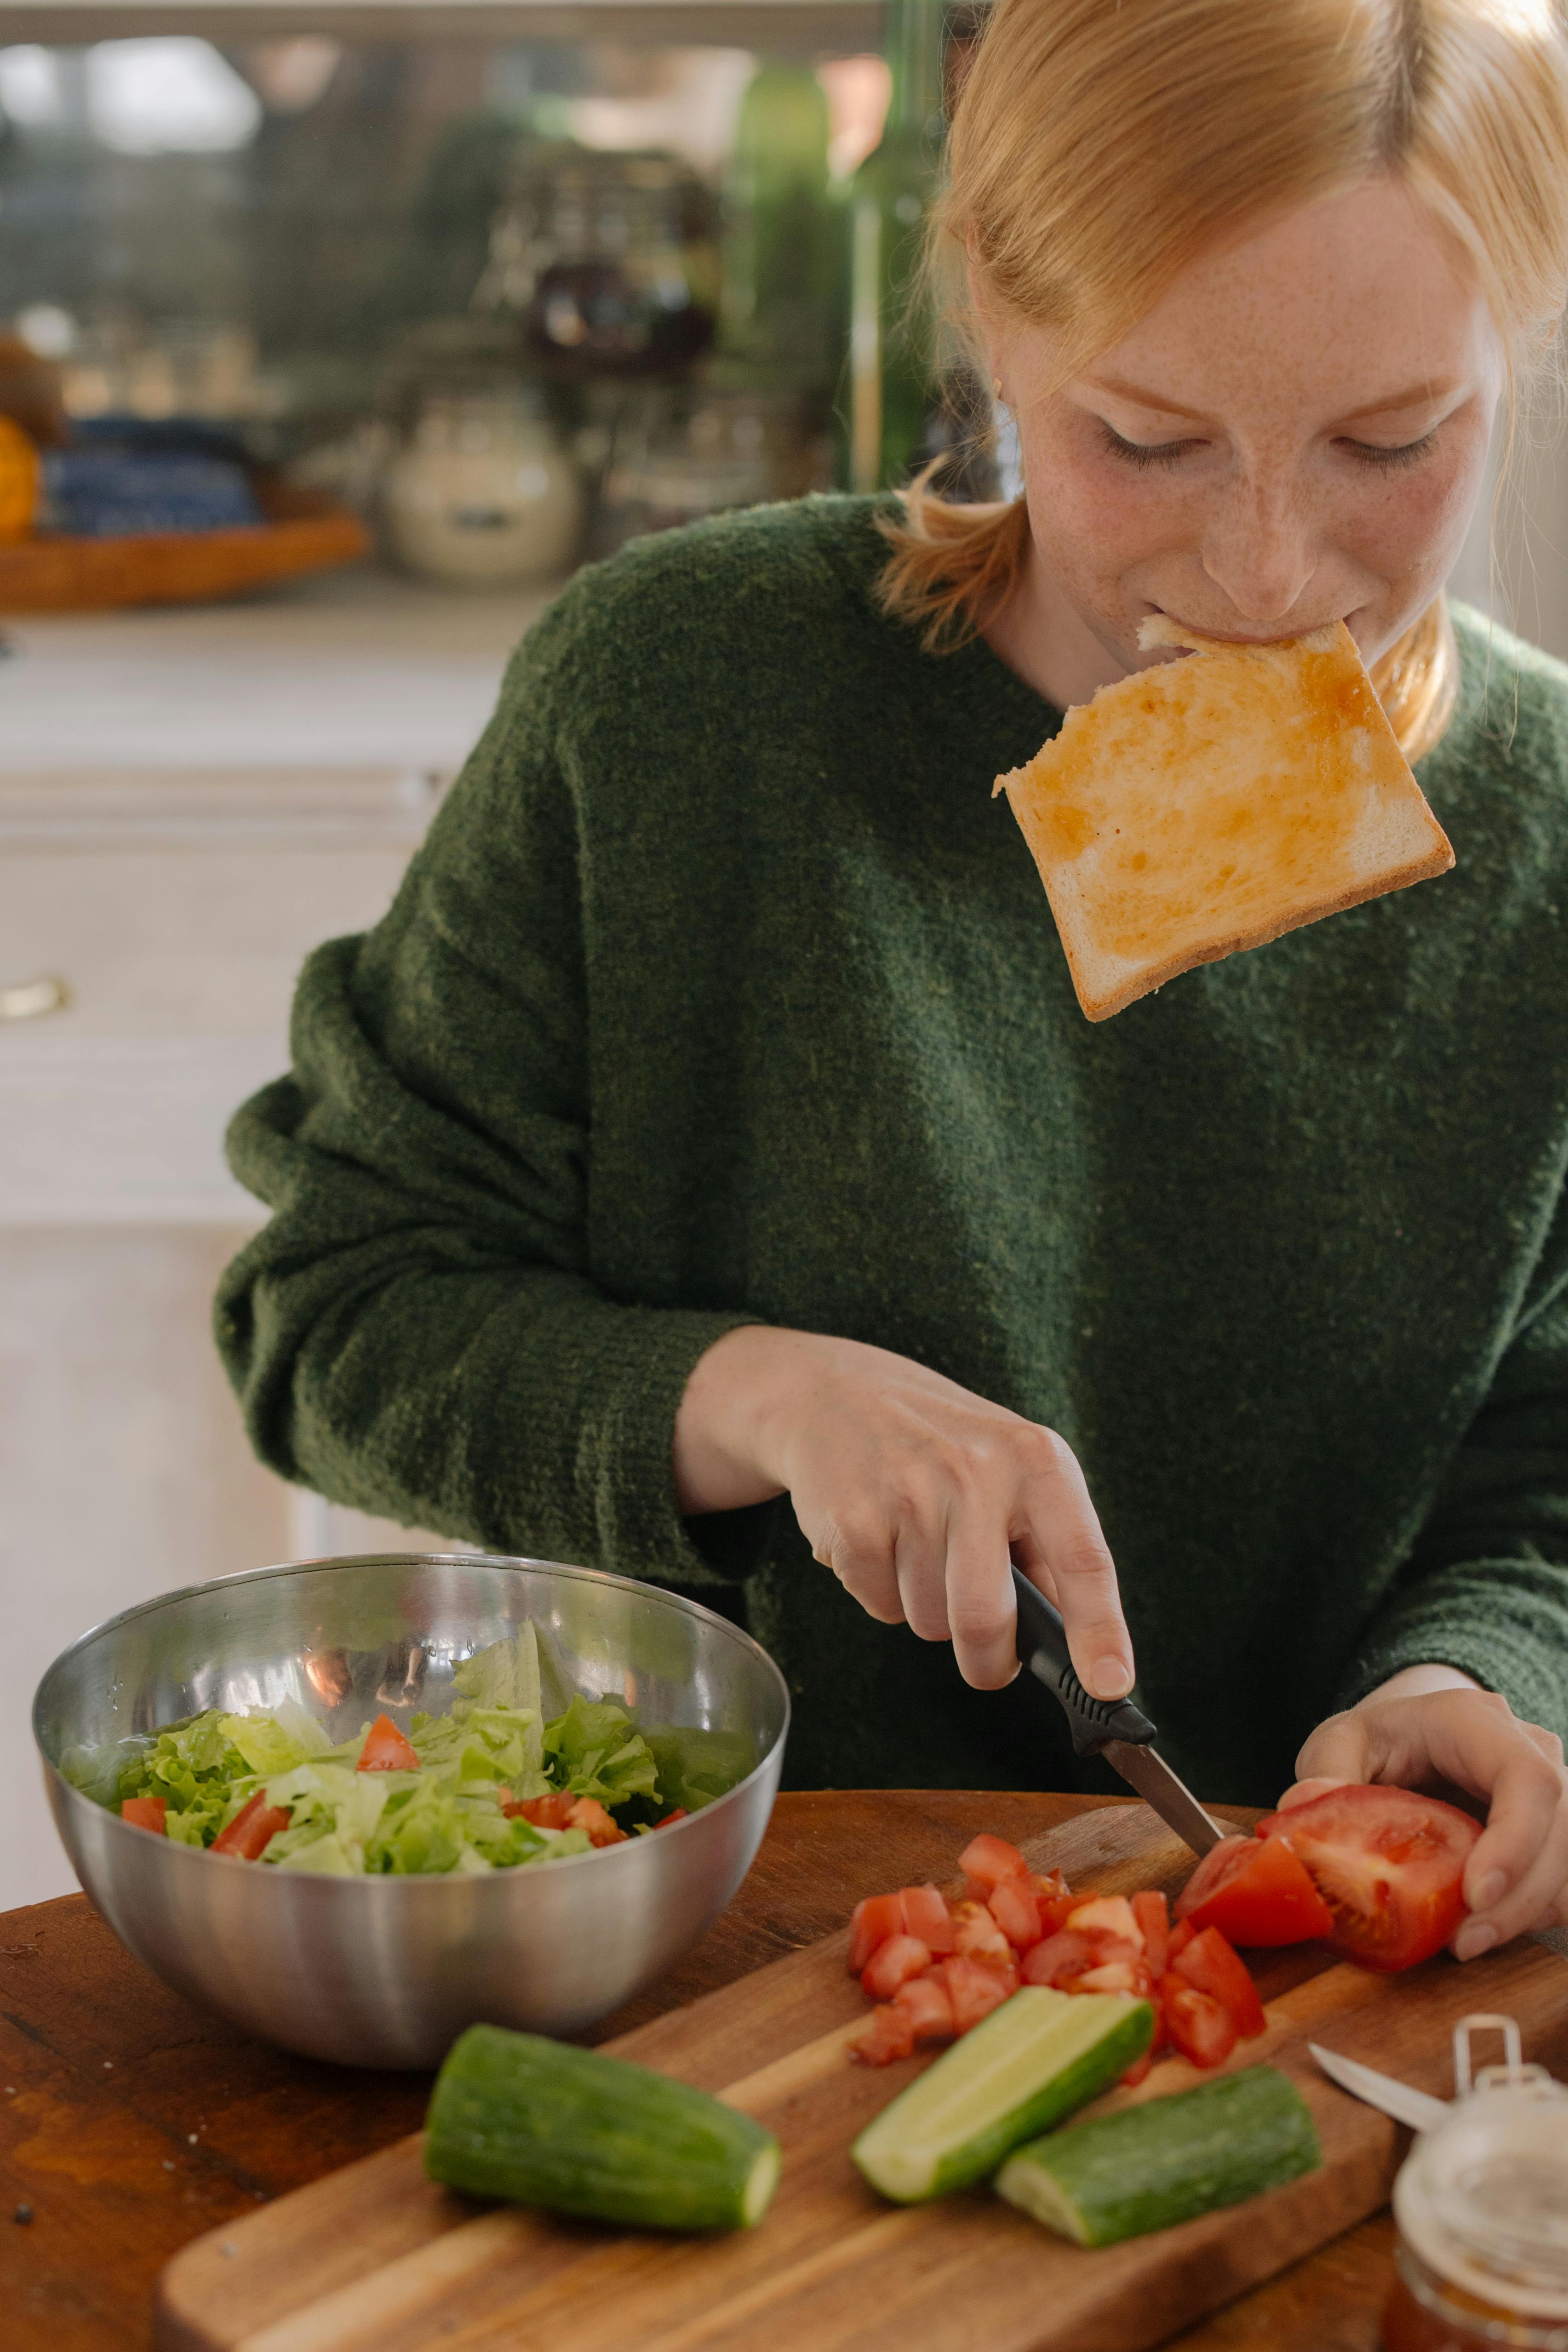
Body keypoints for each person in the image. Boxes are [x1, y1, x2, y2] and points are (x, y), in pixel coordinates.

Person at [218, 0, 1568, 1956]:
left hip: (1308, 1991)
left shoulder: (1545, 834)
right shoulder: (673, 699)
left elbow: (1549, 1457)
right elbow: (327, 1317)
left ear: (1506, 361)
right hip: (704, 1954)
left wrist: (1481, 1678)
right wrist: (750, 1398)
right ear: (985, 324)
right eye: (1146, 437)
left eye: (1391, 440)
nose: (1270, 574)